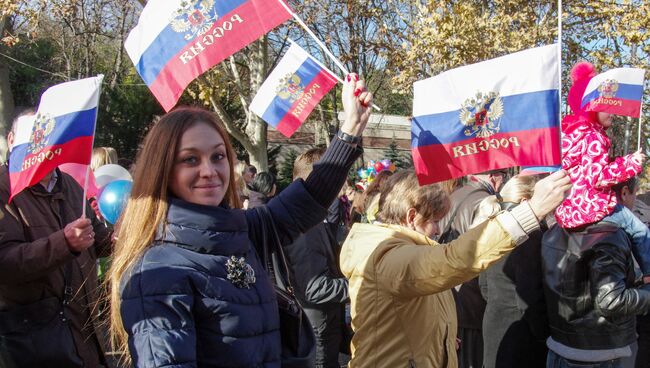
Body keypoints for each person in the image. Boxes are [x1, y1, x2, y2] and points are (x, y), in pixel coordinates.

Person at [108, 74, 373, 367]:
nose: (209, 170)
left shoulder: (241, 231)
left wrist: (351, 128)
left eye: (218, 156)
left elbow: (308, 198)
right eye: (190, 160)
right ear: (163, 170)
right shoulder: (158, 271)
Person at [340, 169, 571, 367]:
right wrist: (530, 212)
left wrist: (442, 336)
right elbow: (452, 261)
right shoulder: (387, 256)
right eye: (435, 221)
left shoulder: (400, 249)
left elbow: (415, 310)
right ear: (412, 216)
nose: (439, 230)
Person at [0, 111, 113, 367]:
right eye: (31, 140)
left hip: (85, 332)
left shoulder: (71, 185)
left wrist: (119, 239)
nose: (39, 149)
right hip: (35, 342)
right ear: (11, 140)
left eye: (47, 140)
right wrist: (64, 243)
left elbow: (96, 238)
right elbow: (4, 263)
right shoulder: (3, 188)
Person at [543, 176, 650, 368]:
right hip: (601, 353)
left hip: (561, 346)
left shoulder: (555, 228)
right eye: (635, 194)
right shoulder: (610, 235)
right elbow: (610, 300)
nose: (635, 201)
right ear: (624, 193)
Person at [555, 61, 650, 279]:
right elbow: (598, 176)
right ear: (590, 107)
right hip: (592, 206)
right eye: (606, 107)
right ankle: (648, 276)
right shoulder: (594, 137)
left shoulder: (570, 134)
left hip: (571, 209)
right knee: (640, 231)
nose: (613, 113)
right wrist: (631, 162)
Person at [284, 147, 350, 368]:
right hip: (316, 328)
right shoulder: (304, 226)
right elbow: (314, 287)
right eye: (334, 181)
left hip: (322, 324)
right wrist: (358, 286)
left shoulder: (310, 218)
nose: (340, 189)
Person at [473, 175, 549, 368]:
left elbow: (484, 285)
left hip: (494, 322)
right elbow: (529, 296)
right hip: (521, 334)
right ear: (525, 201)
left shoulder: (494, 228)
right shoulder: (528, 236)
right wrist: (544, 334)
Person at [437, 168, 509, 368]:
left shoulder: (455, 193)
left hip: (447, 286)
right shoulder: (487, 202)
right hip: (470, 293)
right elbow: (485, 251)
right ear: (496, 177)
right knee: (470, 357)